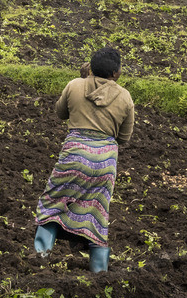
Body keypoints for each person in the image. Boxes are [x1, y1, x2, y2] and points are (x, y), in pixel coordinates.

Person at [32, 46, 135, 273]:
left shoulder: (74, 85)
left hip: (74, 156)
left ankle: (40, 260)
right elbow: (124, 138)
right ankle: (99, 275)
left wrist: (82, 83)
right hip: (105, 162)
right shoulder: (125, 97)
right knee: (97, 213)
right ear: (116, 73)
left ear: (90, 66)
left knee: (53, 204)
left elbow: (60, 112)